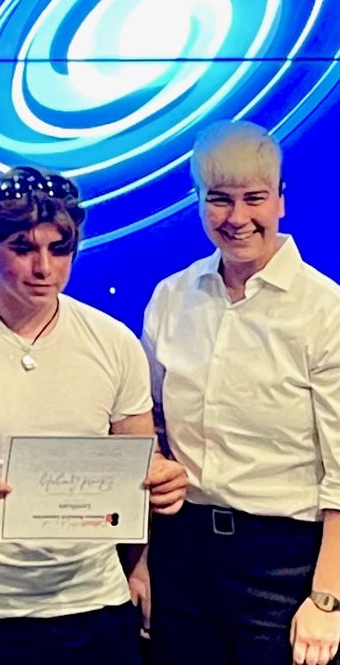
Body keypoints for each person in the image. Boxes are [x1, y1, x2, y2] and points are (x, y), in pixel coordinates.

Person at [0, 166, 188, 664]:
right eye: (23, 248)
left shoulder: (114, 343)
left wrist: (161, 483)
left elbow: (141, 464)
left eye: (59, 250)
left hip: (96, 602)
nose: (44, 268)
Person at [138, 121, 340, 665]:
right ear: (199, 203)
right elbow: (149, 428)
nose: (237, 217)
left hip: (286, 563)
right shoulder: (171, 298)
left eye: (254, 198)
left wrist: (327, 598)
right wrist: (142, 560)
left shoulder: (326, 310)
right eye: (219, 200)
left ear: (280, 201)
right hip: (182, 553)